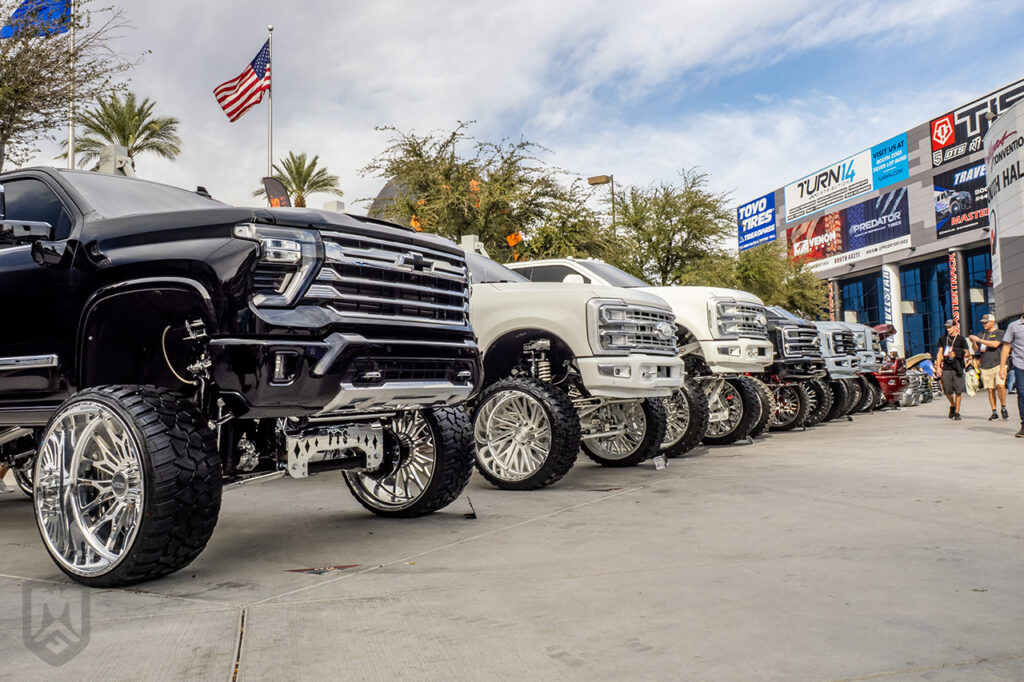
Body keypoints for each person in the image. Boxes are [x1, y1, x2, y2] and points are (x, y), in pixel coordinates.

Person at [969, 313, 1008, 421]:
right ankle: (994, 411)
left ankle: (1003, 407)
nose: (984, 324)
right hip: (985, 365)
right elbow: (976, 349)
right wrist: (973, 341)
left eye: (986, 322)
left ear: (992, 322)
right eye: (983, 323)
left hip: (998, 364)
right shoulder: (981, 334)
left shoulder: (999, 332)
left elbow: (995, 344)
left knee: (1000, 385)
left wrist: (979, 340)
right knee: (990, 389)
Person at [936, 319, 969, 420]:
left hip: (958, 367)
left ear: (955, 327)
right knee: (947, 391)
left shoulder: (961, 339)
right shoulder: (943, 339)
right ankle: (953, 405)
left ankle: (957, 412)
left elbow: (967, 354)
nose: (948, 329)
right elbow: (940, 353)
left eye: (950, 327)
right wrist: (938, 367)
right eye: (946, 327)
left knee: (958, 391)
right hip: (946, 368)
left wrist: (956, 353)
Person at [999, 304, 1024, 437]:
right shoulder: (1013, 326)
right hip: (1020, 365)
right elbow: (1006, 347)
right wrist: (1002, 367)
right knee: (1022, 393)